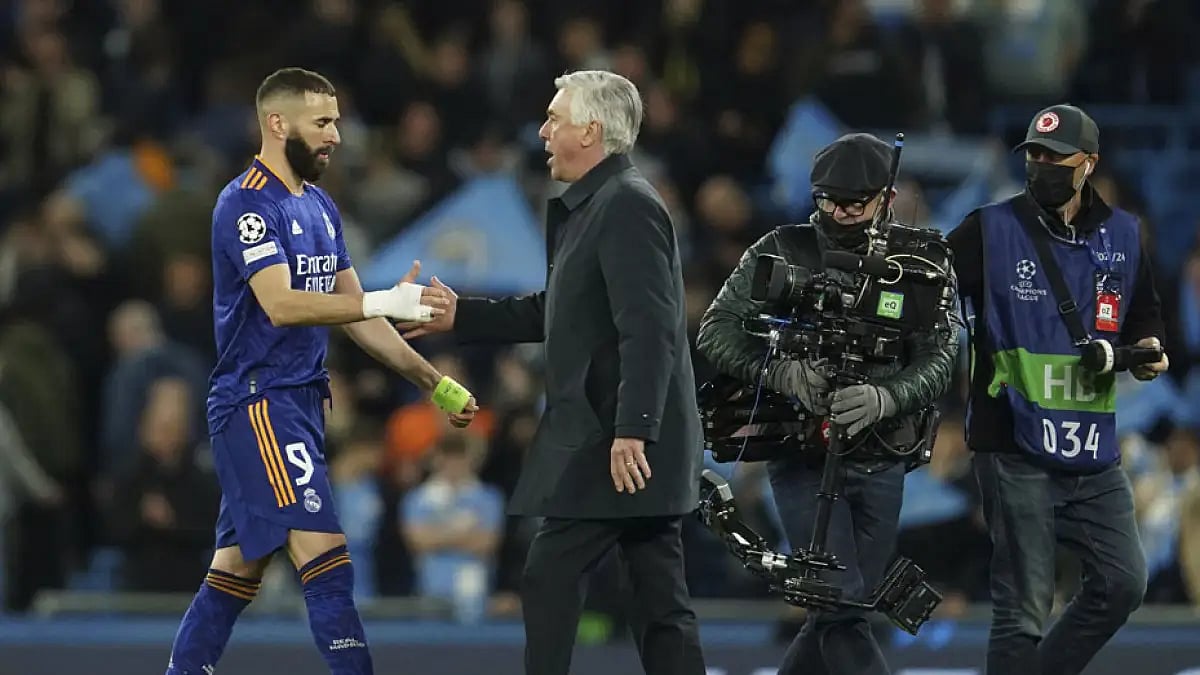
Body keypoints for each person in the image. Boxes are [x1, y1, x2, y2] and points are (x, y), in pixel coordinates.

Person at [163, 67, 478, 675]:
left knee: (236, 570)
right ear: (278, 124)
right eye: (324, 122)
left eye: (338, 120)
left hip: (299, 403)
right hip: (258, 402)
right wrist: (379, 300)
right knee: (327, 559)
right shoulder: (245, 204)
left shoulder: (321, 207)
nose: (338, 135)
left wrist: (431, 381)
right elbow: (282, 304)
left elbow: (357, 316)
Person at [398, 70, 706, 675]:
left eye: (554, 119)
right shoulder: (594, 205)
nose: (541, 132)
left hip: (615, 437)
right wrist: (464, 314)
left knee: (550, 575)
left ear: (590, 130)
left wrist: (634, 427)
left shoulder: (628, 206)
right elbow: (559, 309)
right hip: (617, 433)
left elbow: (651, 327)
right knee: (657, 599)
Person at [696, 133, 959, 675]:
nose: (837, 213)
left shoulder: (923, 262)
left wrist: (886, 396)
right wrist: (783, 371)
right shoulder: (781, 248)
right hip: (799, 451)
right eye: (826, 200)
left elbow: (941, 357)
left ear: (885, 197)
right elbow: (714, 329)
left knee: (836, 609)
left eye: (852, 203)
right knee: (838, 600)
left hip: (884, 452)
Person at [947, 103, 1169, 675]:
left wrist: (1143, 354)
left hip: (1090, 447)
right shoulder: (988, 229)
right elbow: (932, 292)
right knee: (1023, 606)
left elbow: (1144, 320)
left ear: (1087, 164)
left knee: (1123, 583)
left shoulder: (1123, 236)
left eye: (1054, 157)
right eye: (1034, 155)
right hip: (1012, 444)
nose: (1040, 165)